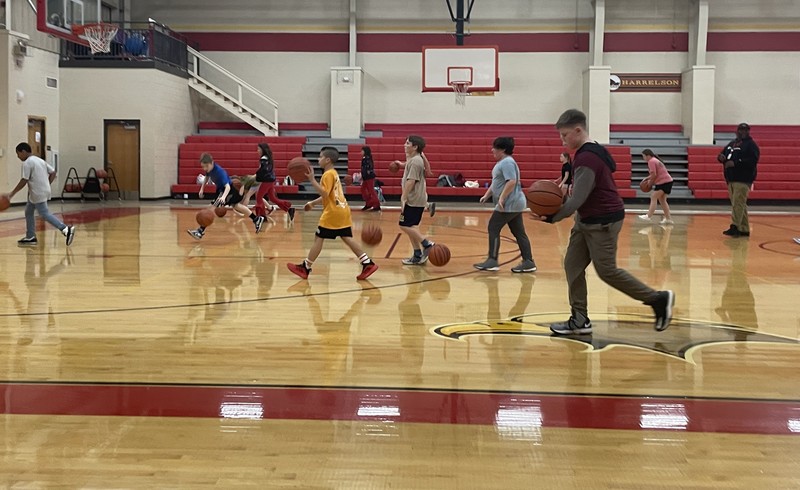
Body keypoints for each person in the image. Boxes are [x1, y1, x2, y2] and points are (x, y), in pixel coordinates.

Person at [535, 109, 675, 334]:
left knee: (606, 271)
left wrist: (552, 216)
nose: (562, 140)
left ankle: (657, 299)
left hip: (603, 221)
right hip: (586, 219)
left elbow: (577, 198)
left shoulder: (588, 157)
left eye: (564, 135)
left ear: (578, 130)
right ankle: (580, 319)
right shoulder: (590, 150)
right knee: (572, 264)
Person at [287, 147, 378, 281]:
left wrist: (312, 180)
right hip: (342, 209)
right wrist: (313, 203)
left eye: (320, 157)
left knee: (319, 238)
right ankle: (367, 263)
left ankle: (305, 267)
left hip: (333, 213)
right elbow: (329, 195)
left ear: (327, 159)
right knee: (347, 238)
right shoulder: (334, 173)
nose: (318, 159)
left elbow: (324, 193)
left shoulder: (327, 175)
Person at [474, 136, 537, 273]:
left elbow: (511, 181)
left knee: (493, 227)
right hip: (514, 203)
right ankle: (528, 261)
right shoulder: (504, 162)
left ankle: (492, 260)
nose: (492, 150)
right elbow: (497, 182)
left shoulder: (507, 163)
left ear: (502, 149)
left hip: (510, 203)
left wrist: (502, 198)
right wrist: (487, 195)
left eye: (495, 148)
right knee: (519, 232)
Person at [7, 142, 75, 247]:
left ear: (23, 152)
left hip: (37, 192)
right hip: (41, 190)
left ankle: (65, 229)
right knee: (29, 211)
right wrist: (47, 184)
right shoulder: (39, 160)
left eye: (18, 154)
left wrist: (12, 193)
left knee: (44, 213)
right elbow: (53, 172)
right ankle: (30, 236)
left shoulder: (27, 163)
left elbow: (24, 180)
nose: (18, 156)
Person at [188, 153, 264, 239]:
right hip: (225, 191)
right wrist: (202, 188)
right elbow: (206, 177)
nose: (205, 169)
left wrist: (223, 197)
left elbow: (227, 187)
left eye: (206, 166)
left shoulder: (220, 172)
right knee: (237, 206)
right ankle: (256, 219)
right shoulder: (209, 169)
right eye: (203, 167)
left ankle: (200, 231)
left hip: (230, 191)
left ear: (211, 163)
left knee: (211, 208)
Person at [396, 135, 436, 265]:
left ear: (415, 147)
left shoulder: (416, 161)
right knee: (412, 226)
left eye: (407, 143)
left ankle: (427, 243)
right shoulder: (415, 158)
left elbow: (411, 181)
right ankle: (417, 255)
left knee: (404, 225)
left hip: (413, 200)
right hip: (418, 199)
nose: (404, 145)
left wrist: (404, 196)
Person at [718, 123, 759, 237]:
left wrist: (736, 163)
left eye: (745, 130)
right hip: (731, 178)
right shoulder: (732, 144)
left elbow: (753, 161)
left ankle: (735, 226)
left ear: (748, 131)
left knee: (738, 203)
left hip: (743, 178)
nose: (742, 132)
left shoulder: (751, 145)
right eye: (740, 130)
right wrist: (721, 157)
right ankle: (744, 228)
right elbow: (723, 153)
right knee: (739, 203)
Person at [253, 142, 295, 222]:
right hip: (271, 180)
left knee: (259, 197)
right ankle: (289, 209)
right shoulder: (269, 158)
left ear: (262, 149)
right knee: (273, 198)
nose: (257, 151)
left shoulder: (264, 159)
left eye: (258, 149)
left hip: (266, 180)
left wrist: (256, 175)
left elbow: (263, 170)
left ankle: (261, 216)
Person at [392, 150, 436, 217]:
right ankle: (428, 206)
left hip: (412, 176)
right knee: (411, 195)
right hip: (410, 174)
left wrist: (428, 170)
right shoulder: (411, 153)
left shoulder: (417, 153)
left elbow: (425, 159)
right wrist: (401, 164)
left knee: (406, 196)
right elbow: (409, 163)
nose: (405, 144)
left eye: (407, 143)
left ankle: (403, 214)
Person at [637, 149, 674, 224]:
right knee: (662, 200)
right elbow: (654, 174)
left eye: (643, 156)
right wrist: (647, 178)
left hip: (664, 182)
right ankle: (668, 219)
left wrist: (649, 184)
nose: (643, 158)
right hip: (667, 181)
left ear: (648, 156)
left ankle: (648, 216)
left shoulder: (651, 161)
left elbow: (654, 175)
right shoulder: (655, 160)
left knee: (653, 196)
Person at [359, 146, 381, 212]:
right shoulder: (366, 158)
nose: (361, 152)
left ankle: (376, 205)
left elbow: (369, 168)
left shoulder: (367, 158)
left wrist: (364, 174)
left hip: (369, 177)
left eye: (362, 150)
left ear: (365, 151)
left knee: (371, 190)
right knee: (363, 189)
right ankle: (369, 203)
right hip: (366, 177)